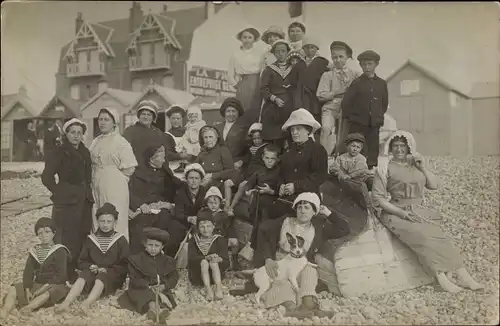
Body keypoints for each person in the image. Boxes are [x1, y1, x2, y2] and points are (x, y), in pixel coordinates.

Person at [372, 130, 483, 293]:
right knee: (423, 237)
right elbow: (379, 198)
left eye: (403, 145)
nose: (399, 149)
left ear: (409, 147)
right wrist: (401, 213)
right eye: (395, 146)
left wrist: (423, 168)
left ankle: (464, 275)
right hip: (396, 212)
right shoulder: (384, 168)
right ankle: (441, 278)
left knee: (441, 237)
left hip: (419, 210)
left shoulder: (416, 163)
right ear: (390, 148)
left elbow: (433, 185)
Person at [230, 193, 349, 319]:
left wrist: (328, 213)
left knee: (310, 271)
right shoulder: (285, 222)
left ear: (314, 211)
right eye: (299, 207)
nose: (302, 211)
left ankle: (309, 306)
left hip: (301, 261)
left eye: (307, 207)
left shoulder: (320, 227)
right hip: (281, 259)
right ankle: (291, 309)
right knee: (281, 280)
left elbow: (344, 229)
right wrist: (268, 258)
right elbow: (263, 229)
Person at [41, 118, 94, 283]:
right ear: (66, 134)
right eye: (73, 132)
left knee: (81, 233)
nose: (76, 136)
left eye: (79, 133)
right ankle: (64, 271)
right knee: (66, 235)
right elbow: (46, 177)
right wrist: (59, 191)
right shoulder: (59, 151)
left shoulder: (85, 151)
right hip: (67, 201)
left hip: (84, 199)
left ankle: (76, 267)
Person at [55, 203, 129, 314]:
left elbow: (125, 264)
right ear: (97, 221)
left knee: (102, 276)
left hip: (112, 276)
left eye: (109, 221)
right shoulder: (91, 239)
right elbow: (82, 261)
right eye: (102, 221)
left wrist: (107, 270)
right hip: (93, 273)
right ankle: (66, 303)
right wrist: (91, 266)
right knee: (83, 275)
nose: (105, 225)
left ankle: (86, 304)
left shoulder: (120, 240)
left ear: (115, 222)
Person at [0, 218, 70, 319]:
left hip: (53, 284)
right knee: (15, 287)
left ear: (54, 233)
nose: (44, 235)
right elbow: (28, 271)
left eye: (47, 232)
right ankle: (5, 309)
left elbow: (61, 275)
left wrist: (44, 288)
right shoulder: (35, 250)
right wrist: (28, 289)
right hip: (38, 284)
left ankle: (28, 308)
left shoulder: (60, 250)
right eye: (40, 233)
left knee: (50, 292)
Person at [128, 143, 185, 256]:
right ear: (152, 159)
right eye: (162, 158)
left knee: (177, 229)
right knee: (139, 230)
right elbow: (129, 193)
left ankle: (164, 258)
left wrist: (169, 205)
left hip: (163, 209)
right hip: (144, 210)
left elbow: (179, 186)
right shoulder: (137, 174)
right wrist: (141, 205)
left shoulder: (164, 171)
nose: (164, 161)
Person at [90, 108, 137, 240]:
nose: (103, 123)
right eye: (100, 119)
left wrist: (114, 177)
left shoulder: (121, 142)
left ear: (114, 123)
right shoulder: (96, 141)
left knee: (114, 216)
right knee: (97, 214)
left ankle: (117, 251)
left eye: (106, 120)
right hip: (96, 181)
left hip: (114, 184)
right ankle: (99, 250)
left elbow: (129, 168)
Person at [118, 227, 178, 324]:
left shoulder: (168, 261)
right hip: (141, 288)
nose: (153, 248)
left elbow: (174, 277)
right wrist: (148, 286)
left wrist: (164, 286)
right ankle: (155, 311)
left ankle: (156, 313)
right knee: (148, 297)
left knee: (162, 299)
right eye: (150, 245)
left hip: (161, 289)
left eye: (157, 246)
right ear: (145, 244)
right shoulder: (136, 260)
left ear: (162, 247)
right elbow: (135, 278)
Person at [274, 109, 327, 217]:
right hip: (288, 197)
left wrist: (296, 186)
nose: (294, 132)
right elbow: (281, 172)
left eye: (298, 129)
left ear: (308, 130)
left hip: (308, 196)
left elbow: (320, 176)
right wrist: (281, 185)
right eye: (292, 130)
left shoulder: (317, 149)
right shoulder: (289, 151)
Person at [228, 144, 281, 251]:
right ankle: (254, 248)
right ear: (262, 158)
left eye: (272, 159)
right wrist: (248, 190)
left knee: (263, 226)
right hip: (257, 204)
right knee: (256, 224)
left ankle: (262, 249)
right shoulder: (260, 171)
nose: (269, 161)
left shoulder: (279, 172)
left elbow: (280, 190)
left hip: (270, 204)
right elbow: (250, 182)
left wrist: (270, 191)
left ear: (277, 159)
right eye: (267, 158)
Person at [342, 50, 388, 170]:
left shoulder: (382, 84)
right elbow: (346, 103)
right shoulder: (356, 83)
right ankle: (356, 171)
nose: (367, 67)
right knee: (357, 147)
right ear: (361, 66)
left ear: (376, 64)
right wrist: (353, 118)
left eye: (369, 64)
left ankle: (371, 171)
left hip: (374, 123)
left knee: (373, 147)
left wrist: (377, 116)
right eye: (364, 64)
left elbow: (384, 103)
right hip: (358, 123)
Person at [317, 41, 361, 156]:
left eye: (341, 56)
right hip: (330, 108)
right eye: (334, 57)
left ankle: (341, 157)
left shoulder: (355, 75)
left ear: (347, 57)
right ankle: (324, 157)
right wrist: (336, 93)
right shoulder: (327, 75)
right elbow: (321, 95)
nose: (338, 60)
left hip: (347, 109)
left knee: (344, 135)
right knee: (326, 128)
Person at [223, 122, 268, 213]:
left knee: (242, 185)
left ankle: (231, 208)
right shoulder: (251, 149)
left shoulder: (266, 149)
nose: (256, 141)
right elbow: (246, 158)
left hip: (256, 176)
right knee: (227, 183)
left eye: (259, 138)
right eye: (254, 138)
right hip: (246, 173)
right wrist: (241, 161)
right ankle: (226, 206)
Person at [260, 39, 296, 150]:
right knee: (275, 140)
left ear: (287, 52)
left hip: (290, 108)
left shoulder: (294, 68)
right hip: (273, 108)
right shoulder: (269, 70)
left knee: (291, 138)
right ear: (274, 53)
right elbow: (263, 89)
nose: (281, 54)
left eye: (283, 51)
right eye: (278, 52)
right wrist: (274, 99)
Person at [187, 213, 230, 301]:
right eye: (202, 227)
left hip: (216, 275)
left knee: (213, 262)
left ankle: (218, 288)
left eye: (208, 226)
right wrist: (205, 258)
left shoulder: (220, 240)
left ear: (213, 226)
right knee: (204, 262)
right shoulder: (193, 241)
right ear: (198, 228)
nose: (206, 229)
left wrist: (219, 259)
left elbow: (227, 262)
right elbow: (191, 259)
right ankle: (208, 290)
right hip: (198, 275)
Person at [228, 26, 265, 118]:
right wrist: (237, 85)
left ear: (254, 39)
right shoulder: (235, 54)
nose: (247, 40)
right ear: (241, 39)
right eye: (244, 37)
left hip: (258, 82)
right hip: (244, 83)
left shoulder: (259, 53)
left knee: (257, 108)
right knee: (243, 109)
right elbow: (230, 74)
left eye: (250, 37)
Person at [293, 37, 330, 127]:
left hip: (315, 96)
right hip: (301, 96)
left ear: (317, 49)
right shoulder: (299, 64)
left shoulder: (322, 62)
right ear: (303, 49)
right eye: (307, 48)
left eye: (312, 47)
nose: (309, 50)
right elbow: (294, 82)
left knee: (315, 119)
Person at [123, 100, 168, 169]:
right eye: (143, 114)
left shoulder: (157, 132)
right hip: (135, 169)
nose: (145, 117)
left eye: (149, 115)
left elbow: (163, 152)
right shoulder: (130, 131)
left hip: (154, 169)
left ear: (153, 117)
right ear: (139, 116)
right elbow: (124, 152)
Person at [195, 126, 234, 190]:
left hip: (218, 185)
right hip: (202, 182)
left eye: (211, 137)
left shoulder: (223, 150)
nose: (208, 140)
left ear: (216, 137)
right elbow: (195, 168)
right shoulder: (202, 153)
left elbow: (231, 172)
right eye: (205, 137)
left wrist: (212, 175)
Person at [214, 97, 248, 172]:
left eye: (233, 111)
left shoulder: (244, 128)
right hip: (219, 166)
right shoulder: (217, 128)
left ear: (238, 112)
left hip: (236, 166)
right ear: (224, 113)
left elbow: (249, 151)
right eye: (228, 111)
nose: (231, 114)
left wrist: (241, 161)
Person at [174, 163, 208, 229]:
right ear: (186, 179)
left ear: (201, 180)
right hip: (185, 224)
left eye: (197, 178)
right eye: (191, 178)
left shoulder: (205, 192)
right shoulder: (180, 193)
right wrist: (188, 218)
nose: (194, 181)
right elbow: (178, 214)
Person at [175, 106, 206, 173]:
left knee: (192, 151)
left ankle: (195, 164)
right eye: (191, 117)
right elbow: (187, 132)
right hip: (188, 139)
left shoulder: (200, 124)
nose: (193, 119)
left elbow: (200, 135)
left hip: (196, 141)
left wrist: (194, 139)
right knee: (182, 148)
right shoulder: (189, 124)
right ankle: (183, 164)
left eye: (195, 117)